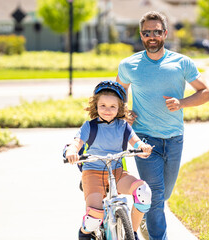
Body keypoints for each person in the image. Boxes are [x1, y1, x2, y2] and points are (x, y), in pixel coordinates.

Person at [116, 11, 209, 240]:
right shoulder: (129, 65)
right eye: (147, 32)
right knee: (156, 194)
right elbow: (118, 95)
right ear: (141, 35)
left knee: (164, 193)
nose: (152, 36)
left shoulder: (181, 62)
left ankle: (147, 220)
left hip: (174, 137)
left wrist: (181, 103)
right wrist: (124, 112)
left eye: (157, 31)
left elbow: (205, 93)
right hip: (144, 139)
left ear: (165, 34)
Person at [65, 81, 153, 240]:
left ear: (120, 108)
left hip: (117, 172)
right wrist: (71, 151)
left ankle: (130, 233)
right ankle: (84, 233)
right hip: (93, 173)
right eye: (103, 105)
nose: (107, 110)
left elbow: (137, 142)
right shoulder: (89, 126)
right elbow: (76, 143)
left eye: (113, 106)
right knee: (94, 219)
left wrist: (143, 148)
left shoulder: (123, 126)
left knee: (143, 192)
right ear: (95, 105)